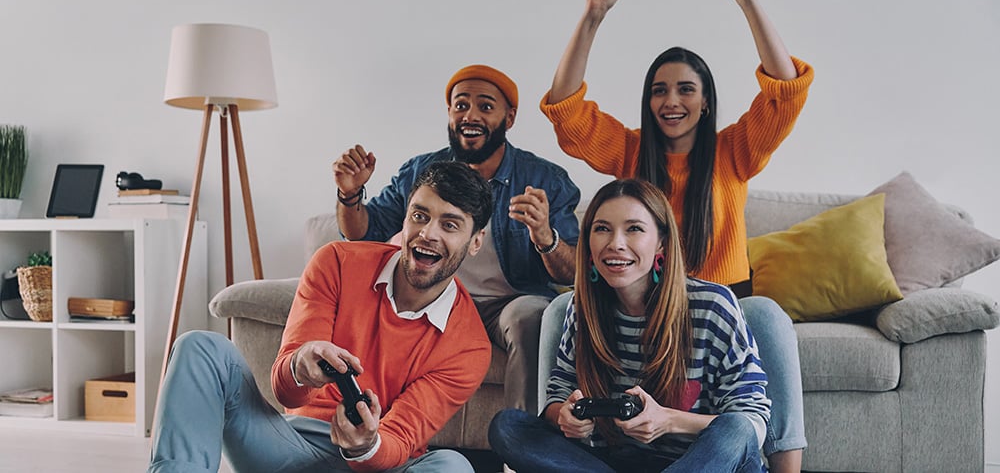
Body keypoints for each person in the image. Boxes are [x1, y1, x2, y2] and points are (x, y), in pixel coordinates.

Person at [538, 0, 814, 470]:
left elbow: (787, 93)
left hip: (719, 300)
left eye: (686, 90)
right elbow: (566, 111)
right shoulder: (630, 152)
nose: (671, 101)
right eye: (659, 91)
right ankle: (561, 437)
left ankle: (785, 467)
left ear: (705, 101)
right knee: (561, 307)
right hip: (645, 296)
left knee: (769, 315)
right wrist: (593, 13)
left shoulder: (735, 150)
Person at [149, 161, 494, 473]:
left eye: (449, 225)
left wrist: (365, 444)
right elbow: (286, 392)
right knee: (200, 347)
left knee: (452, 466)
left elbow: (401, 438)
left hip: (378, 463)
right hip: (291, 447)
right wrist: (300, 365)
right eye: (420, 216)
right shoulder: (337, 262)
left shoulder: (469, 346)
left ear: (475, 242)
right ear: (405, 218)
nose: (428, 233)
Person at [333, 64, 581, 416]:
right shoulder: (421, 172)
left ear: (509, 118)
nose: (471, 115)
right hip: (435, 295)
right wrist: (349, 194)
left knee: (531, 316)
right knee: (370, 306)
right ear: (449, 112)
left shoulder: (545, 179)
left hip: (507, 303)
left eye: (486, 106)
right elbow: (363, 235)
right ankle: (368, 432)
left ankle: (522, 450)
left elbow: (572, 274)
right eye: (461, 105)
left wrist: (545, 237)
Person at [490, 178, 770, 472]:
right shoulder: (582, 306)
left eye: (634, 228)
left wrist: (668, 420)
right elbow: (559, 390)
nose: (615, 244)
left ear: (661, 241)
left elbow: (752, 422)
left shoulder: (713, 305)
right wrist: (565, 414)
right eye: (602, 229)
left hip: (698, 463)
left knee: (735, 430)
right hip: (612, 462)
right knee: (508, 426)